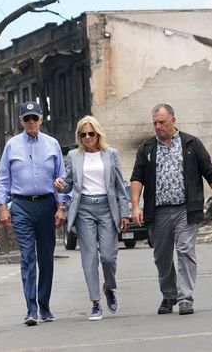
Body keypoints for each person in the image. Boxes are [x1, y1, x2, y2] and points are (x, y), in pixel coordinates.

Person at [131, 104, 212, 316]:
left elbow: (209, 171)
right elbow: (137, 178)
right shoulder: (147, 148)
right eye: (154, 122)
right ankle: (168, 295)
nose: (157, 126)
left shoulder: (191, 143)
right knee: (162, 256)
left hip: (185, 209)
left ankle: (185, 298)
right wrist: (136, 206)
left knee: (185, 251)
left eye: (161, 122)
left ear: (173, 120)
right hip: (158, 212)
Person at [0, 101, 66, 326]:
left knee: (46, 257)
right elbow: (3, 178)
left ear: (41, 119)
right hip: (22, 206)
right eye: (27, 119)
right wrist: (3, 207)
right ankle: (31, 309)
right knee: (28, 257)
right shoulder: (12, 145)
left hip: (46, 205)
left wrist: (61, 206)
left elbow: (61, 177)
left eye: (35, 118)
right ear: (21, 121)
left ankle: (45, 306)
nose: (31, 122)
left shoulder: (52, 144)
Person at [55, 115, 129, 321]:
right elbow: (69, 184)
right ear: (79, 136)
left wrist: (125, 213)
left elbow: (119, 185)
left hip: (107, 208)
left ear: (98, 134)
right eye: (83, 134)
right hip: (84, 209)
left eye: (91, 133)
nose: (87, 137)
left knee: (108, 257)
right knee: (89, 258)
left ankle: (108, 287)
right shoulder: (74, 155)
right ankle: (95, 303)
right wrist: (62, 184)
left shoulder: (111, 154)